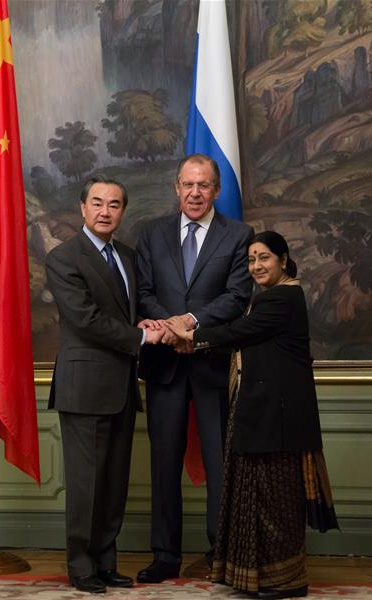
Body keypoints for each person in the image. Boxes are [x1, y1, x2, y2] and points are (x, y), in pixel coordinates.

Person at [166, 231, 338, 599]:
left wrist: (190, 334)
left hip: (277, 418)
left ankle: (284, 580)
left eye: (265, 258)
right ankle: (261, 576)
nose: (257, 266)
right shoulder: (272, 296)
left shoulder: (284, 297)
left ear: (283, 259)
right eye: (251, 260)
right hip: (264, 414)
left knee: (276, 498)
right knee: (259, 495)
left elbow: (239, 331)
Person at [135, 154, 254, 583]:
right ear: (176, 188)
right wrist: (170, 328)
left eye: (203, 185)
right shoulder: (151, 234)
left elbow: (237, 295)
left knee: (220, 463)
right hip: (165, 363)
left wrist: (190, 324)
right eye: (188, 185)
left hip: (211, 364)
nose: (195, 193)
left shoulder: (238, 235)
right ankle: (165, 555)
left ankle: (219, 554)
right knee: (163, 464)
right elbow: (144, 293)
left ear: (217, 190)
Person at [46, 175, 164, 594]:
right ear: (82, 208)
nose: (104, 211)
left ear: (122, 212)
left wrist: (145, 323)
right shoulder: (64, 258)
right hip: (85, 387)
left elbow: (126, 312)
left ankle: (106, 562)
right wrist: (141, 337)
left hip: (122, 386)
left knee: (113, 482)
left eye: (114, 205)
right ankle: (81, 568)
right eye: (97, 203)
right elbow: (85, 320)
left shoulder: (129, 257)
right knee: (86, 484)